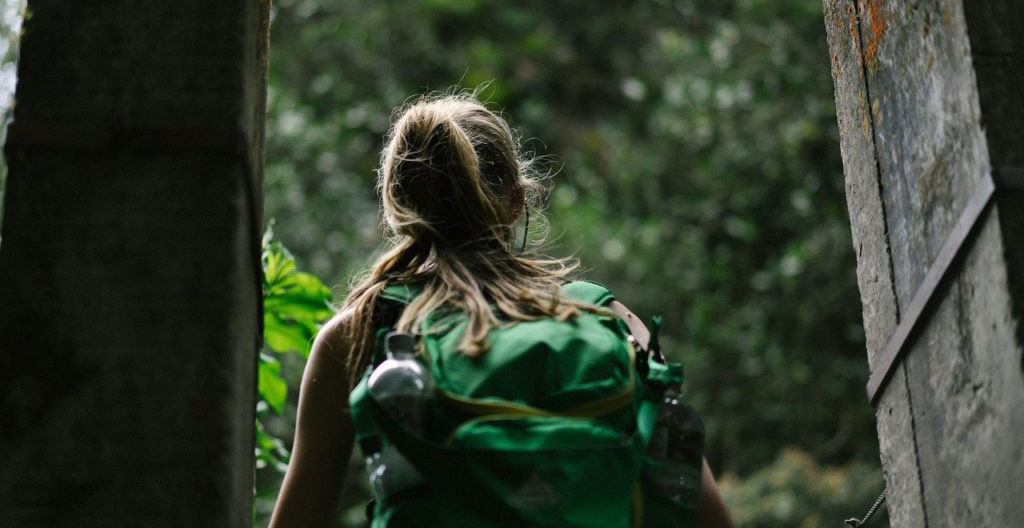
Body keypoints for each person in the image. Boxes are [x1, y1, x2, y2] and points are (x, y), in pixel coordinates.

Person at [268, 93, 732, 528]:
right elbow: (707, 512)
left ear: (396, 207)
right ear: (516, 201)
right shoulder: (608, 318)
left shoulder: (363, 331)